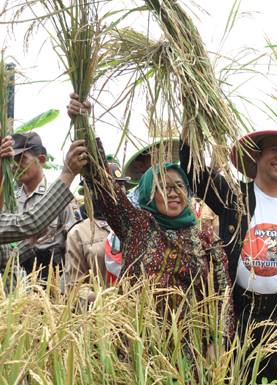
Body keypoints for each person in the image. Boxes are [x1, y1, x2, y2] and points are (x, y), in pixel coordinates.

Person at [68, 95, 234, 342]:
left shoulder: (204, 236)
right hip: (137, 343)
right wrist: (84, 122)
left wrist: (219, 345)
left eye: (179, 185)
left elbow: (223, 295)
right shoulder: (137, 225)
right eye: (163, 187)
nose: (174, 193)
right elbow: (102, 182)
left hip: (190, 348)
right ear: (147, 193)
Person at [180, 127, 277, 385]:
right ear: (257, 156)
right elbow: (195, 174)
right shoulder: (235, 196)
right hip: (241, 315)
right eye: (274, 150)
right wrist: (190, 130)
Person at [0, 135, 89, 281]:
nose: (15, 165)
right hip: (17, 277)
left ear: (41, 160)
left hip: (53, 278)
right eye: (13, 160)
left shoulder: (61, 197)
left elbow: (74, 243)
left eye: (21, 159)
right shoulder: (10, 200)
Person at [61, 162, 131, 299]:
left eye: (119, 187)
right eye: (105, 188)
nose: (115, 193)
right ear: (91, 191)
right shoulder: (79, 233)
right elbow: (74, 286)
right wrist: (104, 299)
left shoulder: (136, 226)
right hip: (100, 314)